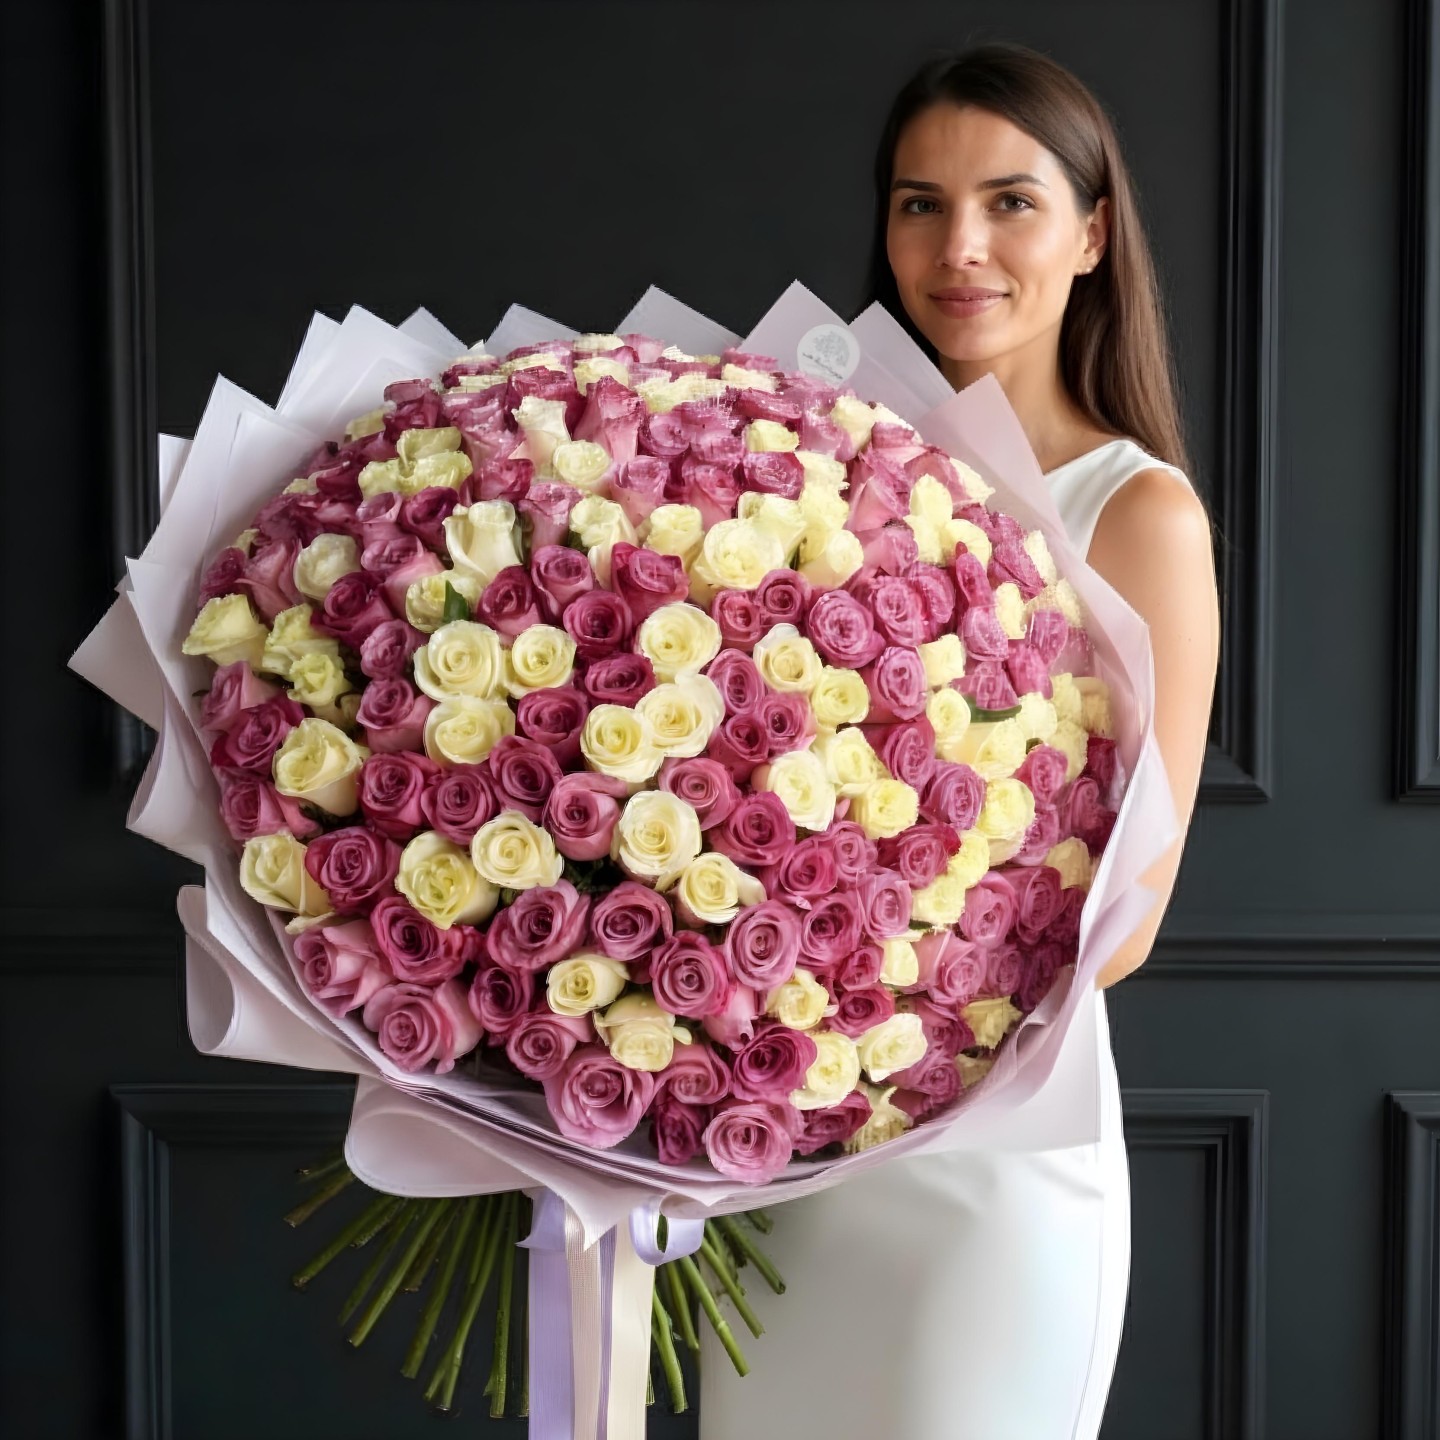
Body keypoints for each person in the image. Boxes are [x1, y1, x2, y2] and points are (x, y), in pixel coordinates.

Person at [699, 42, 1221, 1439]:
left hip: (994, 1156)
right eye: (920, 204)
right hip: (785, 1140)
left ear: (1093, 235)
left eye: (1010, 203)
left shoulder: (1140, 511)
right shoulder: (821, 470)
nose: (960, 247)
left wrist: (854, 959)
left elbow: (1127, 925)